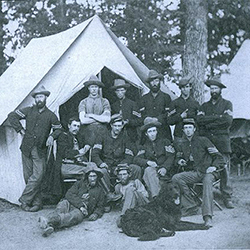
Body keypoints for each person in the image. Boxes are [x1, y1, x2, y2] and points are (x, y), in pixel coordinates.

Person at [8, 85, 62, 212]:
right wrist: (20, 130)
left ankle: (24, 200)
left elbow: (58, 129)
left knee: (38, 176)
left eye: (41, 96)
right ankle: (37, 203)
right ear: (35, 99)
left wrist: (52, 136)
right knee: (28, 177)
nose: (39, 99)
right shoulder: (28, 111)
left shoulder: (51, 115)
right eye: (37, 97)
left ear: (46, 98)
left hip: (40, 150)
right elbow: (12, 116)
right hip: (26, 148)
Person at [172, 118, 225, 227]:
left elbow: (219, 157)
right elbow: (179, 157)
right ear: (183, 130)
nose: (188, 130)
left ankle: (207, 216)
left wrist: (214, 167)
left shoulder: (203, 140)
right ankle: (191, 206)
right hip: (195, 173)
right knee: (176, 178)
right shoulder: (183, 144)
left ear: (194, 129)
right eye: (185, 128)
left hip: (208, 172)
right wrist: (180, 161)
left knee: (207, 181)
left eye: (190, 128)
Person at [38, 163, 105, 237]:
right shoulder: (79, 184)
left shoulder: (100, 190)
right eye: (91, 176)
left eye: (94, 176)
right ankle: (50, 223)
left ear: (97, 177)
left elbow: (100, 206)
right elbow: (69, 194)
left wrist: (96, 214)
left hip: (82, 211)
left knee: (73, 217)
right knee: (61, 207)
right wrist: (80, 205)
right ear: (87, 177)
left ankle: (49, 222)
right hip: (70, 203)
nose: (93, 179)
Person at [197, 76, 234, 209]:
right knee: (207, 166)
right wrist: (217, 118)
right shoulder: (204, 106)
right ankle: (205, 194)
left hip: (222, 143)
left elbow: (228, 121)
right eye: (211, 88)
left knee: (224, 170)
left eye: (216, 88)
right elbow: (199, 121)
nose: (213, 91)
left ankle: (227, 197)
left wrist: (209, 121)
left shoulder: (227, 104)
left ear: (220, 90)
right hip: (208, 143)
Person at [92, 115, 141, 191]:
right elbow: (95, 153)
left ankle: (134, 191)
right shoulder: (102, 136)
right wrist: (100, 163)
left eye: (119, 126)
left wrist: (122, 166)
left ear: (122, 126)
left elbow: (129, 156)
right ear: (111, 125)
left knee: (136, 169)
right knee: (101, 172)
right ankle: (108, 194)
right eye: (115, 126)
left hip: (121, 165)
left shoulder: (125, 138)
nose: (117, 128)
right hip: (107, 166)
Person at [134, 117, 175, 199]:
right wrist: (147, 162)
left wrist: (165, 168)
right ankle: (156, 197)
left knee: (148, 173)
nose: (152, 134)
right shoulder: (144, 145)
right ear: (146, 134)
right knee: (148, 170)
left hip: (166, 172)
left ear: (157, 131)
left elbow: (171, 157)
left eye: (154, 131)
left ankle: (155, 198)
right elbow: (136, 159)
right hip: (152, 171)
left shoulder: (165, 142)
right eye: (150, 132)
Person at [139, 69, 172, 142]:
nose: (154, 83)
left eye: (156, 81)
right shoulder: (143, 98)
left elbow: (169, 114)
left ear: (160, 82)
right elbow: (141, 114)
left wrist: (157, 119)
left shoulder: (166, 97)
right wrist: (146, 119)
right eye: (152, 81)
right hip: (148, 132)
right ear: (149, 83)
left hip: (163, 132)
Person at [78, 75, 111, 146]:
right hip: (87, 132)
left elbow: (107, 119)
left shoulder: (104, 101)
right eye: (92, 87)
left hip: (102, 132)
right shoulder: (83, 102)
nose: (94, 89)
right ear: (88, 88)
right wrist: (100, 118)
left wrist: (90, 115)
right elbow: (83, 120)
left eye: (96, 87)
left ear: (99, 88)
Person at [111, 79, 141, 143]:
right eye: (117, 91)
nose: (120, 93)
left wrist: (128, 122)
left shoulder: (132, 104)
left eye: (122, 90)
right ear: (115, 92)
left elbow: (139, 120)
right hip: (117, 135)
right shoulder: (113, 106)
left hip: (130, 134)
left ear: (125, 90)